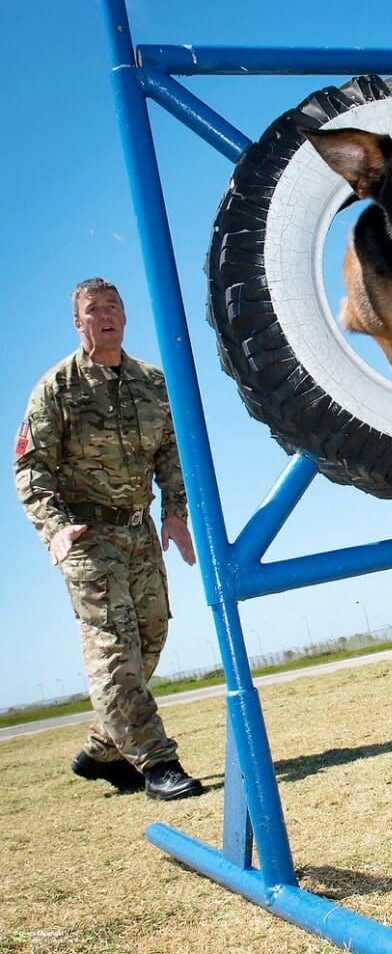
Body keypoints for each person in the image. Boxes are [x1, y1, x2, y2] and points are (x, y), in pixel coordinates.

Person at [15, 277, 203, 801]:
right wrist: (55, 529)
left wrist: (176, 513)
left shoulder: (151, 383)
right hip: (86, 535)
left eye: (113, 308)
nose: (106, 316)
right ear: (79, 324)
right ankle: (156, 761)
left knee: (150, 636)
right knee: (113, 648)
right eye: (94, 310)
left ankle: (103, 750)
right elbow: (30, 466)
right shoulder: (58, 387)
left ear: (125, 317)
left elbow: (171, 451)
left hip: (139, 530)